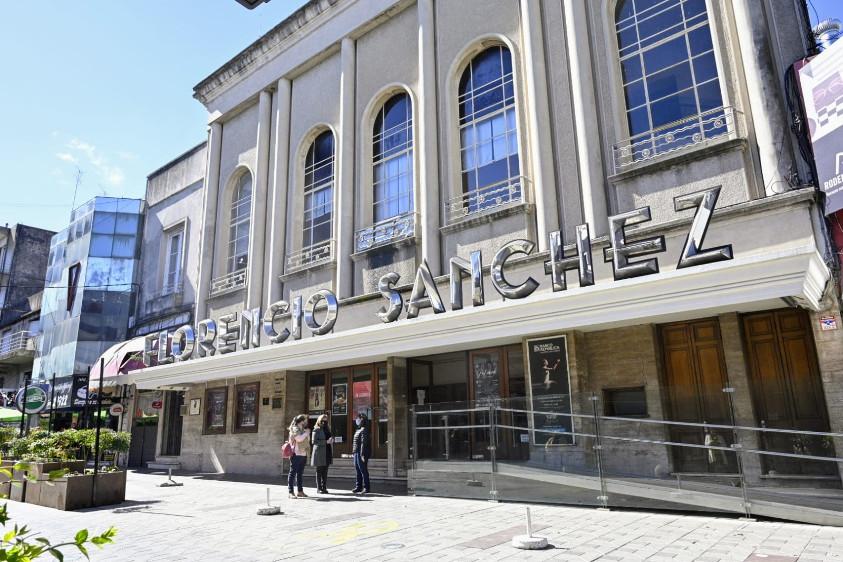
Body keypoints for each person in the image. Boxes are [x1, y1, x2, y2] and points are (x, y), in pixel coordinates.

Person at [287, 414, 311, 499]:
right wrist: (306, 434)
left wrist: (306, 434)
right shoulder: (294, 429)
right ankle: (290, 492)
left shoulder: (303, 430)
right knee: (292, 473)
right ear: (301, 421)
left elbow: (307, 440)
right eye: (305, 420)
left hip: (303, 453)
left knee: (300, 474)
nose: (306, 421)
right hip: (296, 453)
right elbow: (299, 439)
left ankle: (300, 491)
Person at [310, 413, 333, 494]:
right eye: (323, 419)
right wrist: (325, 442)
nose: (325, 421)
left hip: (327, 451)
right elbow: (314, 441)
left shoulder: (328, 429)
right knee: (319, 470)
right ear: (319, 420)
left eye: (326, 419)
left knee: (325, 471)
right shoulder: (316, 429)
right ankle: (319, 488)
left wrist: (331, 440)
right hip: (319, 452)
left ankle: (324, 487)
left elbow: (328, 437)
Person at [351, 412, 371, 494]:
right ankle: (358, 487)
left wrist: (362, 454)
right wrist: (354, 452)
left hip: (361, 452)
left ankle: (366, 487)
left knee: (363, 470)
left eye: (359, 418)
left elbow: (364, 442)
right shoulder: (359, 429)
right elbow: (355, 442)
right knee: (358, 470)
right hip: (356, 452)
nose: (357, 420)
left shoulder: (364, 429)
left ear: (363, 420)